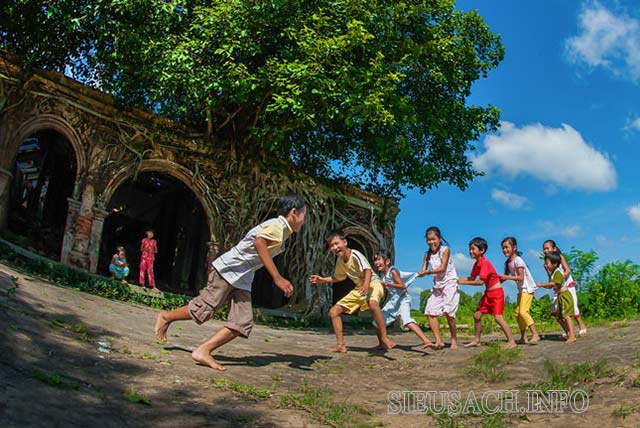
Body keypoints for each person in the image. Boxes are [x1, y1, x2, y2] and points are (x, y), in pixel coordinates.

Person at [154, 193, 307, 371]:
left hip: (243, 277)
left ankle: (203, 350)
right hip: (229, 270)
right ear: (294, 212)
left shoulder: (282, 230)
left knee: (242, 322)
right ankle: (166, 317)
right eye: (304, 215)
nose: (304, 221)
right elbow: (259, 243)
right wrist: (277, 277)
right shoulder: (277, 226)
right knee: (205, 309)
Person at [309, 230, 395, 353]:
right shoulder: (340, 261)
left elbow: (368, 270)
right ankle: (340, 345)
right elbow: (339, 277)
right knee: (334, 312)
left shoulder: (355, 255)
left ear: (345, 242)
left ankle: (384, 338)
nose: (335, 247)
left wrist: (366, 285)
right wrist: (322, 279)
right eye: (331, 246)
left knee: (373, 304)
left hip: (374, 284)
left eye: (336, 243)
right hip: (360, 288)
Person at [458, 237, 517, 349]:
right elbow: (471, 278)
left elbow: (480, 282)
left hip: (496, 294)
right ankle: (477, 340)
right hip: (488, 294)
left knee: (498, 318)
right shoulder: (476, 264)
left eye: (473, 249)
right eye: (470, 249)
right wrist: (456, 279)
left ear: (482, 250)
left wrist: (463, 283)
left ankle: (511, 341)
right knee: (477, 315)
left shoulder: (485, 263)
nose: (470, 251)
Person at [372, 250, 435, 349]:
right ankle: (382, 344)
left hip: (403, 299)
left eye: (379, 259)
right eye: (375, 260)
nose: (376, 263)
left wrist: (388, 284)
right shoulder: (383, 276)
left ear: (387, 261)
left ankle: (426, 341)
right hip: (394, 301)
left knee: (407, 320)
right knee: (377, 321)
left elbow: (402, 286)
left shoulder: (392, 271)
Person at [419, 226, 460, 350]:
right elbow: (423, 269)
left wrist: (428, 272)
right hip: (437, 285)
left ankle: (454, 339)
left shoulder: (445, 250)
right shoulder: (427, 255)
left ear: (440, 239)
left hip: (450, 283)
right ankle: (438, 341)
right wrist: (418, 274)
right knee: (430, 311)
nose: (431, 242)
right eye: (429, 240)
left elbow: (442, 268)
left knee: (449, 313)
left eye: (434, 239)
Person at [499, 237, 540, 344]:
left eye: (506, 247)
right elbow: (505, 277)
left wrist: (505, 277)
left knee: (523, 312)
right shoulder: (509, 262)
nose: (504, 250)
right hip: (521, 290)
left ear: (514, 248)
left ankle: (535, 334)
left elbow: (521, 278)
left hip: (527, 288)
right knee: (517, 314)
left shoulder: (518, 260)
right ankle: (523, 337)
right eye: (503, 248)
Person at [542, 240, 587, 336]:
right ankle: (568, 331)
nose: (545, 250)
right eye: (544, 249)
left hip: (567, 286)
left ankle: (581, 326)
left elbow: (568, 270)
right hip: (558, 289)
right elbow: (551, 277)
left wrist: (560, 279)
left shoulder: (560, 257)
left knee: (572, 307)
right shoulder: (547, 263)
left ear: (554, 248)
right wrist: (552, 282)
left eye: (547, 248)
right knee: (556, 310)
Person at [537, 251, 576, 344]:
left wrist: (541, 284)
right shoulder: (553, 273)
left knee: (567, 316)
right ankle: (568, 333)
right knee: (559, 317)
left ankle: (572, 336)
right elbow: (551, 285)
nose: (545, 265)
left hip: (565, 295)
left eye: (547, 263)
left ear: (554, 264)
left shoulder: (558, 272)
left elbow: (554, 284)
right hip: (560, 296)